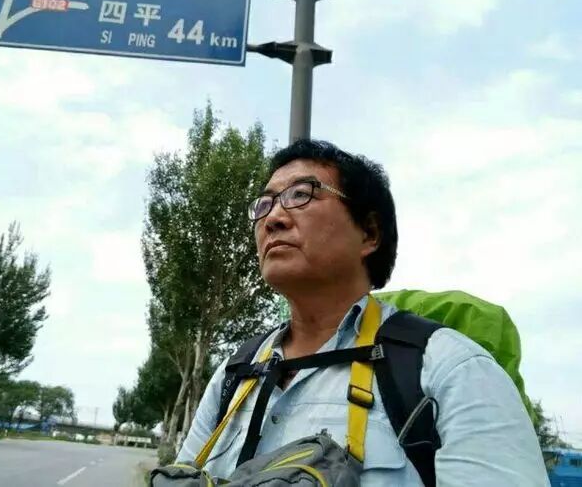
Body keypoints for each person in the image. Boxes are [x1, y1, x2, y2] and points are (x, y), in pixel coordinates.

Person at [176, 139, 548, 485]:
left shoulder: (450, 369)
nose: (273, 218)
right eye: (264, 204)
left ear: (369, 233)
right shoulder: (235, 372)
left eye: (301, 194)